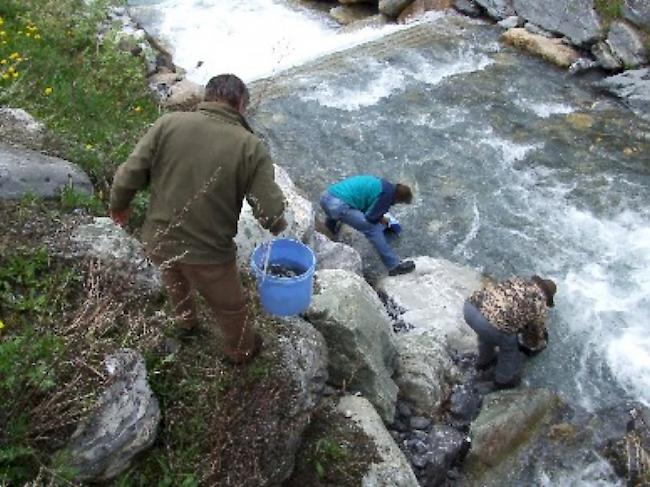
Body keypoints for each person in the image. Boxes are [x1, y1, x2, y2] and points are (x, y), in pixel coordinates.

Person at [110, 73, 287, 364]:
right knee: (231, 308)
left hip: (158, 239)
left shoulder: (168, 123)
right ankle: (240, 352)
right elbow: (268, 211)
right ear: (241, 104)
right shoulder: (250, 146)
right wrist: (278, 222)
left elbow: (130, 172)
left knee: (174, 278)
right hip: (208, 254)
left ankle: (186, 323)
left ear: (206, 97)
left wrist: (119, 206)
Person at [462, 275, 557, 389]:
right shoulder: (539, 303)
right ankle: (503, 380)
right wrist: (537, 343)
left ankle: (484, 361)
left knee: (491, 329)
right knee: (509, 345)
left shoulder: (517, 281)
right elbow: (535, 337)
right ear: (548, 297)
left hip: (470, 308)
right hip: (487, 324)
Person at [320, 175, 415, 276]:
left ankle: (330, 233)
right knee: (373, 229)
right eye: (399, 202)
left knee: (345, 208)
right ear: (398, 198)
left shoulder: (381, 184)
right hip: (337, 205)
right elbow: (371, 218)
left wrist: (378, 216)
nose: (395, 204)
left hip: (327, 197)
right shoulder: (388, 195)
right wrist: (381, 219)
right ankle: (394, 266)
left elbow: (363, 203)